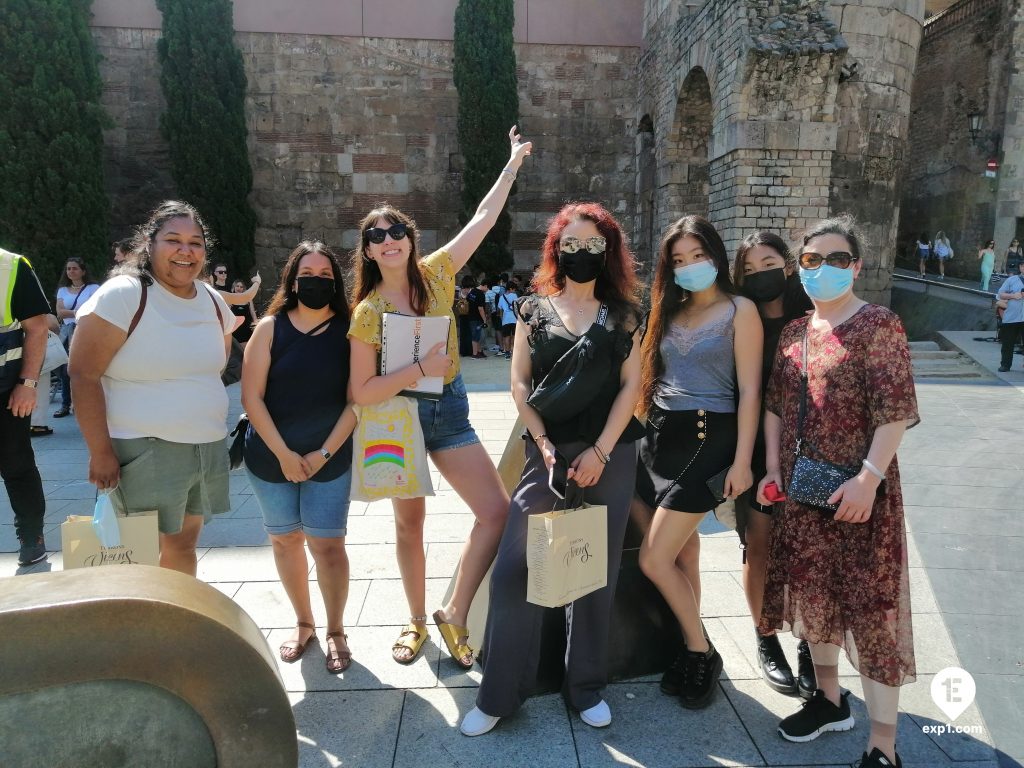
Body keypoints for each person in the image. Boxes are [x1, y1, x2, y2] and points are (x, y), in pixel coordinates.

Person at [349, 126, 531, 669]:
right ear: (368, 250)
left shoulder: (437, 275)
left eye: (396, 231)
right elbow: (361, 391)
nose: (388, 240)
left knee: (496, 512)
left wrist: (511, 164)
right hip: (396, 420)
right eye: (377, 235)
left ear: (410, 238)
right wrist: (419, 368)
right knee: (410, 526)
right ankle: (415, 621)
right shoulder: (367, 311)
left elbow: (483, 219)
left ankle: (454, 611)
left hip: (449, 411)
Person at [460, 201, 644, 737]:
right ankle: (499, 693)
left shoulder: (625, 314)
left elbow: (631, 386)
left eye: (593, 245)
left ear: (608, 250)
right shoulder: (532, 310)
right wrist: (542, 444)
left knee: (595, 571)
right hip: (547, 452)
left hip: (610, 453)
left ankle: (585, 687)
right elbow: (520, 383)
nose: (581, 253)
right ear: (556, 250)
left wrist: (601, 451)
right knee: (514, 569)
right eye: (571, 244)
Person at [756, 216, 919, 768]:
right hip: (804, 492)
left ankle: (883, 745)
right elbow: (776, 406)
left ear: (856, 267)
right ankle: (829, 700)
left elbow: (894, 411)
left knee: (872, 614)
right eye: (811, 260)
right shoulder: (795, 333)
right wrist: (772, 468)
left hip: (859, 496)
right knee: (814, 599)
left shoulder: (879, 325)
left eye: (836, 259)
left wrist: (868, 479)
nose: (822, 269)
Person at [634, 215, 762, 710]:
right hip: (659, 437)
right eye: (678, 259)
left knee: (654, 558)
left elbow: (750, 390)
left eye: (698, 256)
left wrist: (742, 461)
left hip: (710, 438)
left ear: (716, 256)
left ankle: (700, 650)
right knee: (684, 552)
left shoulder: (739, 310)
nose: (689, 266)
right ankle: (687, 641)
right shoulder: (667, 309)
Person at [71, 200, 235, 576]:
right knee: (137, 555)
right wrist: (100, 452)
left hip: (204, 447)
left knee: (184, 545)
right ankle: (139, 616)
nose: (185, 251)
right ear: (150, 243)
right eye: (173, 240)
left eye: (195, 243)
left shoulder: (212, 301)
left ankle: (174, 613)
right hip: (143, 449)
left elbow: (215, 366)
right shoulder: (124, 294)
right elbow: (82, 374)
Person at [242, 241, 357, 674]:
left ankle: (336, 630)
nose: (316, 281)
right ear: (292, 280)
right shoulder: (269, 329)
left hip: (330, 457)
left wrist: (323, 453)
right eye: (307, 274)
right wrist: (285, 455)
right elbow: (251, 398)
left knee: (328, 545)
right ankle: (304, 622)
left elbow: (358, 401)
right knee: (285, 540)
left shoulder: (352, 331)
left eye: (325, 275)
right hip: (270, 457)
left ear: (336, 282)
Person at [732, 231, 815, 698]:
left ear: (787, 265)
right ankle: (765, 636)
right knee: (758, 545)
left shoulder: (811, 317)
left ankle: (808, 641)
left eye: (768, 264)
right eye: (749, 270)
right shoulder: (740, 319)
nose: (759, 275)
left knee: (806, 550)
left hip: (810, 451)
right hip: (755, 449)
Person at [0, 248, 52, 566]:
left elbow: (37, 327)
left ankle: (32, 538)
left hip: (6, 392)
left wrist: (28, 384)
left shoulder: (10, 266)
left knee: (17, 466)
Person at [53, 257, 99, 418]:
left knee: (87, 369)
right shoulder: (62, 290)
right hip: (67, 333)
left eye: (74, 268)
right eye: (68, 269)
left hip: (86, 331)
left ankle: (88, 404)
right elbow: (60, 312)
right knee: (66, 370)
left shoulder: (94, 288)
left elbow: (95, 309)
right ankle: (66, 404)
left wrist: (71, 313)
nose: (71, 271)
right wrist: (79, 311)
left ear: (83, 271)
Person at [29, 313, 62, 437]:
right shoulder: (33, 305)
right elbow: (52, 325)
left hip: (12, 350)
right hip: (36, 348)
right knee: (40, 388)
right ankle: (37, 424)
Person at [996, 258, 1024, 372]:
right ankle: (1005, 364)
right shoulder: (1011, 280)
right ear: (1020, 267)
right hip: (1012, 317)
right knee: (1008, 342)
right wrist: (1013, 296)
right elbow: (1000, 294)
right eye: (1023, 266)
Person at [497, 278, 519, 359]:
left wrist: (502, 318)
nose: (514, 291)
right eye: (514, 289)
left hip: (505, 320)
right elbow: (517, 307)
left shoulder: (501, 297)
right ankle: (513, 352)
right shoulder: (514, 296)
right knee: (514, 336)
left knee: (506, 336)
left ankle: (507, 353)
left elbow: (500, 309)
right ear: (510, 289)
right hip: (514, 319)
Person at [230, 279, 257, 346]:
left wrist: (256, 324)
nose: (239, 288)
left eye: (241, 287)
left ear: (243, 289)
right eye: (237, 286)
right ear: (234, 287)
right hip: (235, 329)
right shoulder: (230, 299)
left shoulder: (248, 299)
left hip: (246, 328)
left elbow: (252, 312)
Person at [468, 276, 489, 358]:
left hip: (471, 316)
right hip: (477, 318)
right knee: (476, 336)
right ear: (485, 285)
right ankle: (475, 353)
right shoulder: (481, 294)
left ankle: (479, 351)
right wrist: (484, 319)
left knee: (479, 335)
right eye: (488, 288)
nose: (487, 290)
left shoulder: (472, 291)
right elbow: (480, 308)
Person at [456, 275, 475, 357]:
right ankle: (470, 350)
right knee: (470, 333)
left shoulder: (460, 291)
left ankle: (463, 351)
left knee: (463, 333)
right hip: (469, 314)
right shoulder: (471, 291)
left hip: (461, 314)